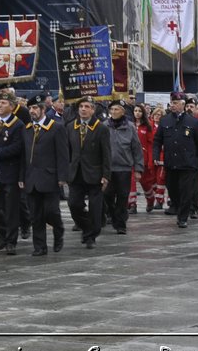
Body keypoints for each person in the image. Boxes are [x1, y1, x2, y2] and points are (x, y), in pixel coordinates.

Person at [21, 97, 71, 254]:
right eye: (30, 108)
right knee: (35, 215)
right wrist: (21, 177)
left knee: (51, 211)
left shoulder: (56, 128)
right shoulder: (27, 128)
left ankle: (58, 230)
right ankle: (40, 246)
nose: (32, 111)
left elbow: (63, 154)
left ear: (43, 109)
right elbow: (23, 155)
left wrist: (62, 177)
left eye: (35, 108)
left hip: (50, 177)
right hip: (31, 178)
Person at [154, 93, 198, 228]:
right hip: (171, 162)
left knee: (186, 191)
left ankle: (183, 217)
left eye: (175, 103)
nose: (172, 105)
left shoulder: (193, 122)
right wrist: (156, 155)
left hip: (188, 163)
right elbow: (157, 140)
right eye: (172, 103)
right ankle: (178, 207)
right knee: (172, 190)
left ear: (183, 104)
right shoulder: (165, 121)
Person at [0, 91, 27, 253]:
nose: (0, 106)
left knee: (11, 209)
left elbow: (17, 148)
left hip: (11, 172)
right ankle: (3, 233)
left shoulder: (18, 125)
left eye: (3, 103)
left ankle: (11, 241)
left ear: (12, 106)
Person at [65, 98, 108, 247]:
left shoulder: (101, 128)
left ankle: (91, 236)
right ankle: (86, 226)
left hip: (94, 173)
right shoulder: (71, 127)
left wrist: (105, 175)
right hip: (76, 173)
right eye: (81, 106)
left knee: (95, 207)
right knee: (74, 204)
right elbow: (68, 151)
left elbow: (106, 154)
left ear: (92, 110)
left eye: (87, 107)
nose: (83, 109)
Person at [102, 100, 142, 234]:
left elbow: (136, 149)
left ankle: (120, 224)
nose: (113, 112)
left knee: (123, 196)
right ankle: (114, 216)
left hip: (124, 168)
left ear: (123, 112)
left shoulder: (130, 127)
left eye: (116, 109)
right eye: (111, 109)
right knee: (107, 195)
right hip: (108, 169)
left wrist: (138, 169)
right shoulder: (104, 126)